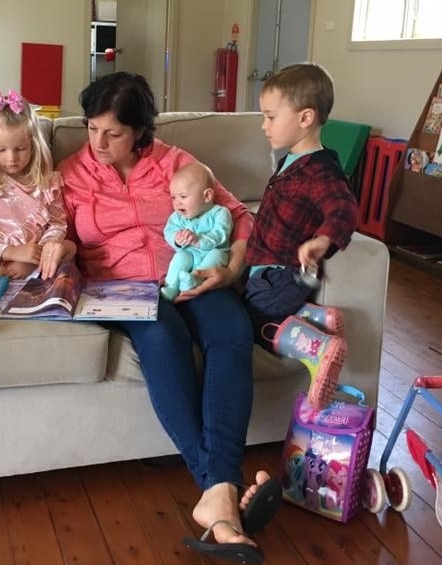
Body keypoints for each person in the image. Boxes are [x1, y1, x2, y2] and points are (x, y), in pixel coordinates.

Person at [57, 71, 281, 563]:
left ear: (140, 130)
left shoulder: (178, 164)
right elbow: (62, 232)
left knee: (231, 332)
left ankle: (215, 497)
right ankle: (219, 484)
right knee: (163, 338)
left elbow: (241, 216)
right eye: (92, 129)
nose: (98, 142)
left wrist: (230, 268)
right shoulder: (72, 172)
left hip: (195, 276)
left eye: (112, 132)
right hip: (123, 288)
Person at [245, 63, 358, 409]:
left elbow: (343, 207)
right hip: (271, 270)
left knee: (251, 320)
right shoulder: (293, 159)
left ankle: (318, 346)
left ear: (305, 117)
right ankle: (314, 317)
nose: (264, 126)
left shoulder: (320, 169)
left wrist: (323, 240)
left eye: (271, 117)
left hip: (279, 274)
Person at [0, 89, 75, 281]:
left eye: (21, 149)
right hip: (2, 267)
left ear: (33, 145)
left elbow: (58, 224)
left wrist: (36, 256)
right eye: (1, 150)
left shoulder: (47, 183)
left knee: (71, 249)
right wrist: (13, 253)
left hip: (43, 263)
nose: (11, 158)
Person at [161, 162, 233, 301]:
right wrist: (177, 239)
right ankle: (171, 287)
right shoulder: (177, 217)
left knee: (216, 255)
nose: (177, 203)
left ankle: (194, 279)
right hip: (190, 253)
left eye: (183, 196)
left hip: (211, 253)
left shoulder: (220, 213)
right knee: (180, 257)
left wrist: (198, 240)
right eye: (173, 197)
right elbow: (169, 231)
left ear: (206, 196)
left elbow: (221, 234)